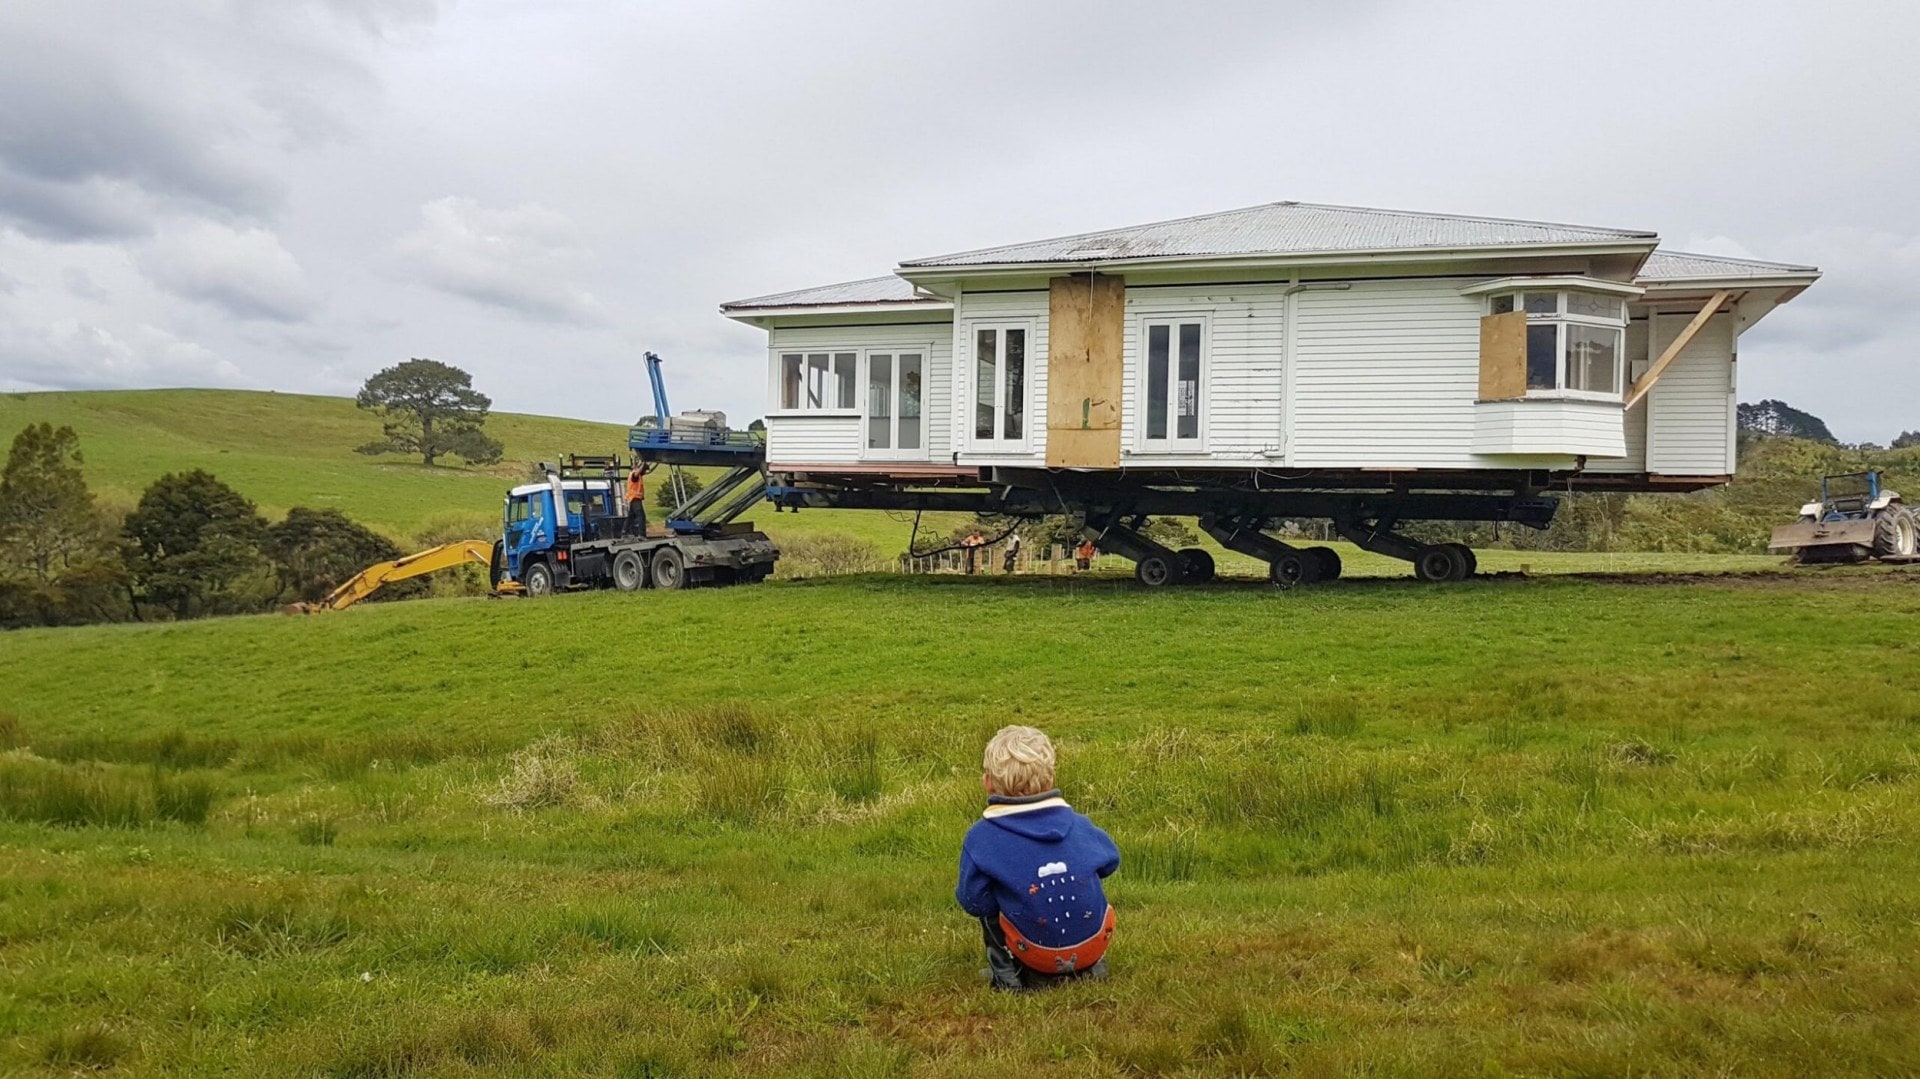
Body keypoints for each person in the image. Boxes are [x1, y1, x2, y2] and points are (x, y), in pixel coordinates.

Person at [956, 725, 1120, 991]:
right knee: (1085, 881)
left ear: (988, 783)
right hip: (1095, 944)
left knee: (990, 906)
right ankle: (1090, 966)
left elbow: (972, 901)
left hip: (1034, 954)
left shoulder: (981, 837)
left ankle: (1008, 978)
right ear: (1051, 778)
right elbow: (1110, 862)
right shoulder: (1080, 824)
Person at [625, 464, 649, 535]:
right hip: (635, 498)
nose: (645, 472)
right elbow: (638, 472)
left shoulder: (636, 475)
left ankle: (624, 532)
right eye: (644, 470)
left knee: (631, 517)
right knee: (641, 516)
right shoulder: (635, 475)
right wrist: (644, 462)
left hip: (633, 499)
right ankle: (641, 534)